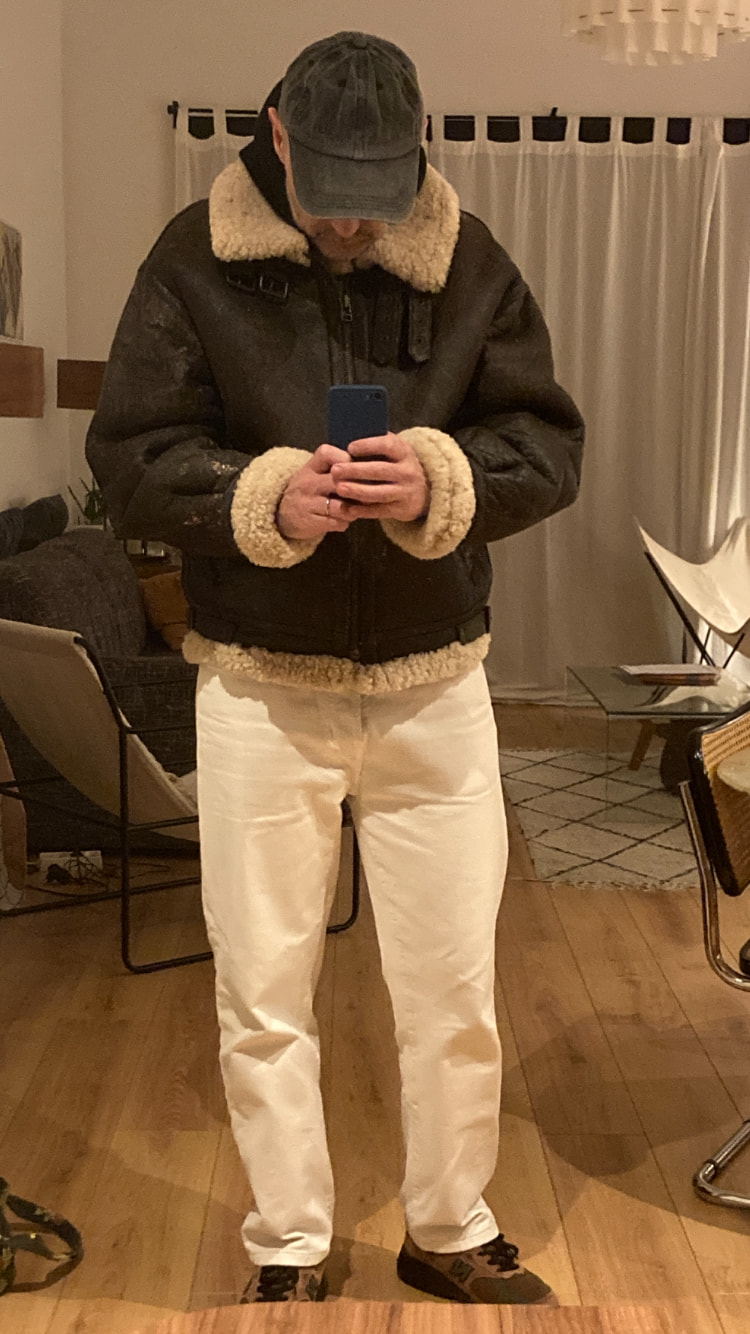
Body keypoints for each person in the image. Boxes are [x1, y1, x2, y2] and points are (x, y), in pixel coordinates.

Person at [86, 30, 584, 1307]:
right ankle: (290, 1240)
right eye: (333, 195)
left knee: (455, 987)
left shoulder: (468, 256)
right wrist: (260, 498)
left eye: (381, 192)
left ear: (419, 150)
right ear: (277, 136)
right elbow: (132, 456)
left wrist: (444, 478)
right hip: (261, 686)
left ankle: (450, 1224)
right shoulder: (190, 260)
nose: (358, 224)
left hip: (437, 684)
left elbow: (546, 441)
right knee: (262, 989)